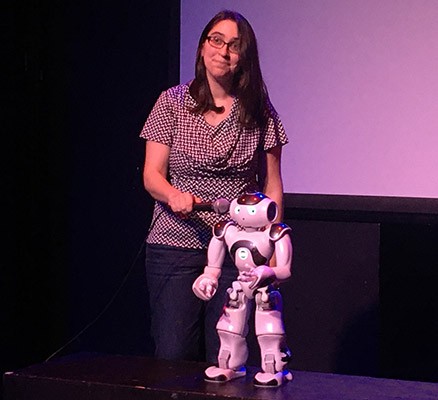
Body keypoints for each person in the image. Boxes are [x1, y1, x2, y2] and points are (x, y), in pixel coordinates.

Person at [140, 9, 289, 363]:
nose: (223, 51)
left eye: (233, 46)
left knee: (226, 353)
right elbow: (151, 175)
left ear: (243, 58)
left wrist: (270, 243)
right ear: (203, 47)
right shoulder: (172, 102)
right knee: (173, 353)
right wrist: (175, 195)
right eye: (216, 40)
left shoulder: (259, 111)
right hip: (175, 245)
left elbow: (273, 184)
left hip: (237, 250)